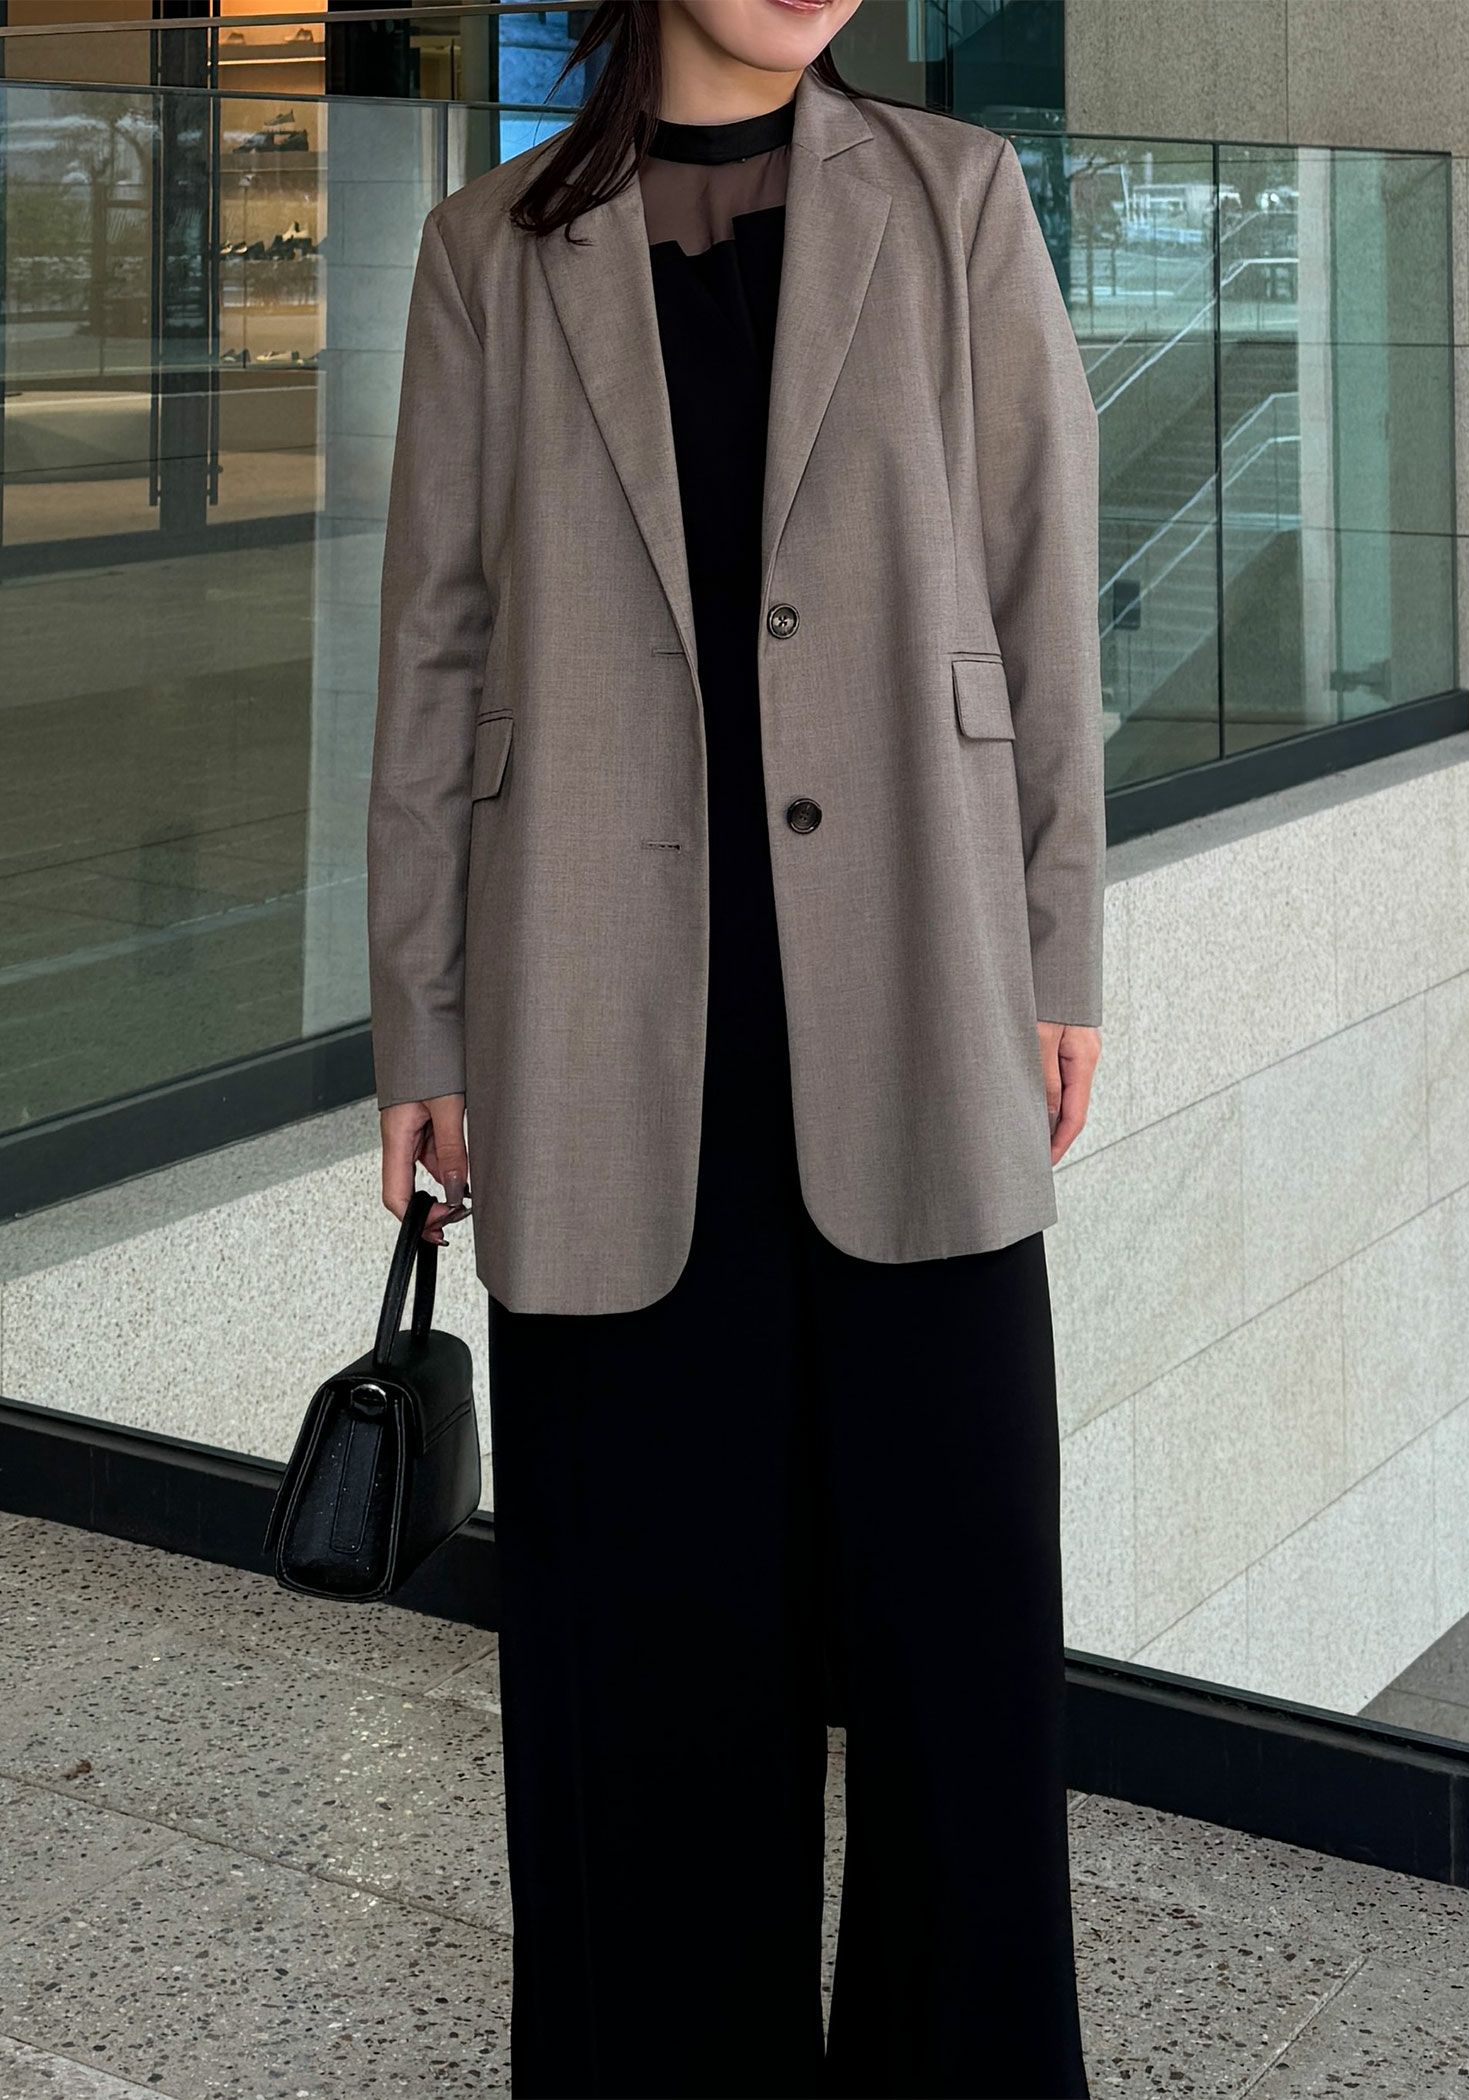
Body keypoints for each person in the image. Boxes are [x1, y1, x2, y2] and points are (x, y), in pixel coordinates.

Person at [367, 2, 1105, 2094]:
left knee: (962, 1664)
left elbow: (1042, 580)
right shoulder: (491, 245)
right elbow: (435, 644)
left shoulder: (955, 198)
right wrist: (424, 1012)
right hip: (594, 1029)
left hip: (920, 988)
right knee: (643, 1675)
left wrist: (1059, 943)